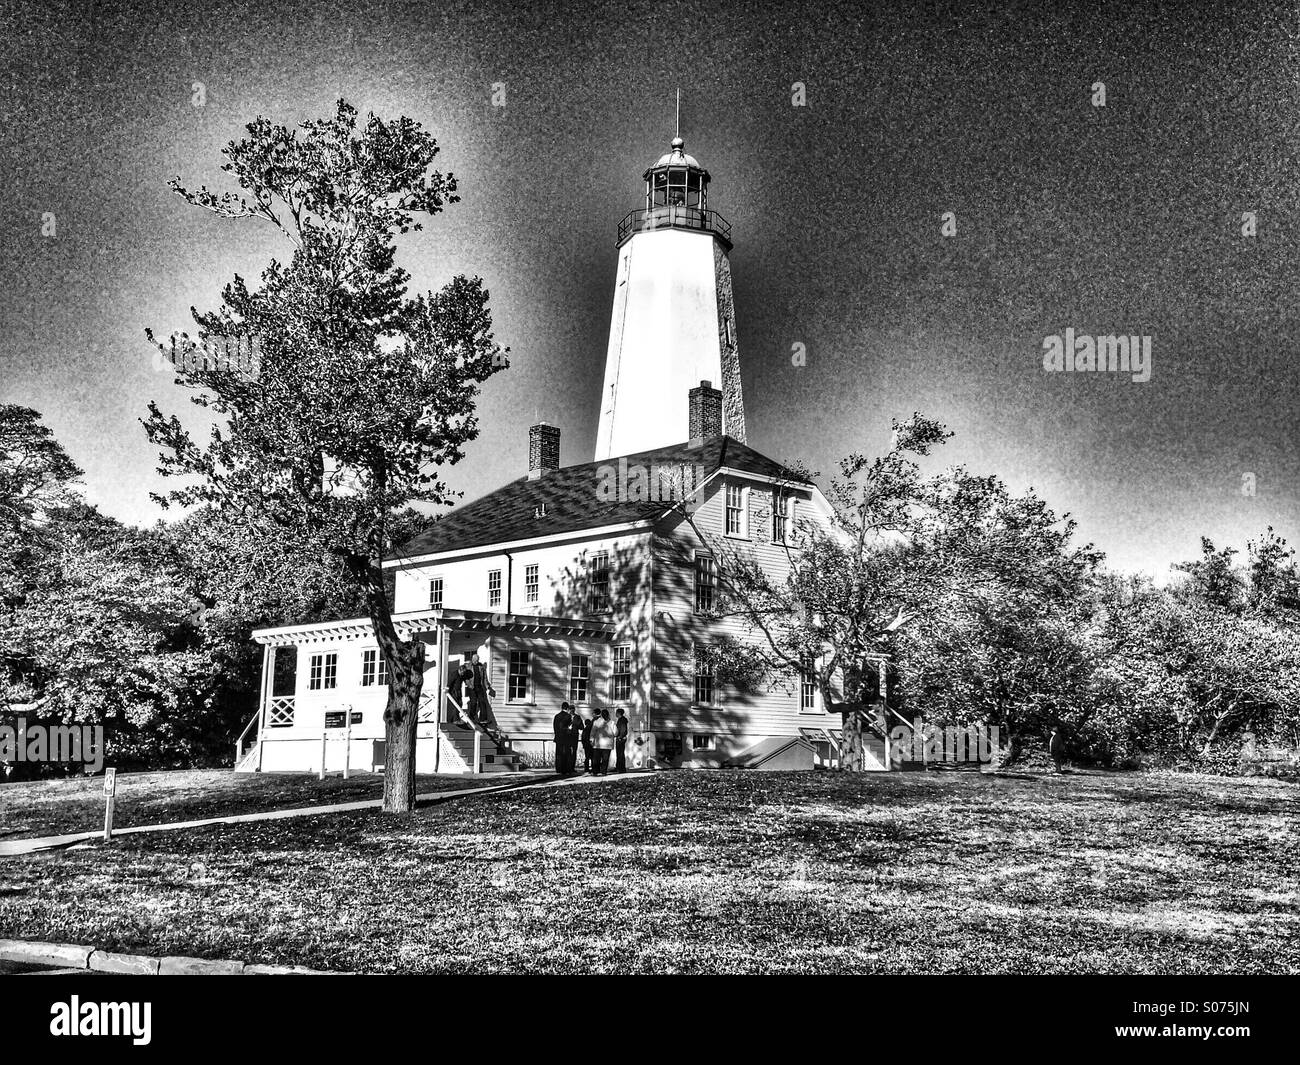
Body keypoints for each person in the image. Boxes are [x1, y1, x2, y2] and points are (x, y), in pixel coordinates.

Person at [592, 708, 616, 775]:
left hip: (598, 744)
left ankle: (595, 771)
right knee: (605, 759)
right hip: (608, 744)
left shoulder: (596, 722)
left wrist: (591, 740)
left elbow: (593, 732)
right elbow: (616, 733)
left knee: (596, 759)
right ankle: (603, 771)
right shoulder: (612, 723)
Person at [553, 702, 573, 775]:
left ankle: (559, 768)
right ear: (567, 708)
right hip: (565, 738)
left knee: (558, 753)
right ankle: (565, 769)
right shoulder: (568, 716)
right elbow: (568, 727)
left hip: (558, 738)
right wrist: (569, 730)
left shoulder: (556, 716)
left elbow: (555, 727)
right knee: (566, 754)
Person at [580, 708, 595, 773]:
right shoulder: (591, 729)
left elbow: (582, 738)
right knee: (592, 757)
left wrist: (583, 744)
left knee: (587, 757)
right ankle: (592, 767)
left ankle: (586, 768)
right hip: (590, 744)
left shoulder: (584, 730)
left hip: (586, 745)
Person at [614, 708, 629, 773]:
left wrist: (620, 737)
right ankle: (618, 767)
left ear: (619, 713)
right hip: (620, 738)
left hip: (621, 738)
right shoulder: (621, 720)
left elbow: (623, 729)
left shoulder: (622, 720)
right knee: (619, 753)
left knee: (620, 753)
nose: (615, 714)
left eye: (616, 713)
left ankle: (621, 768)